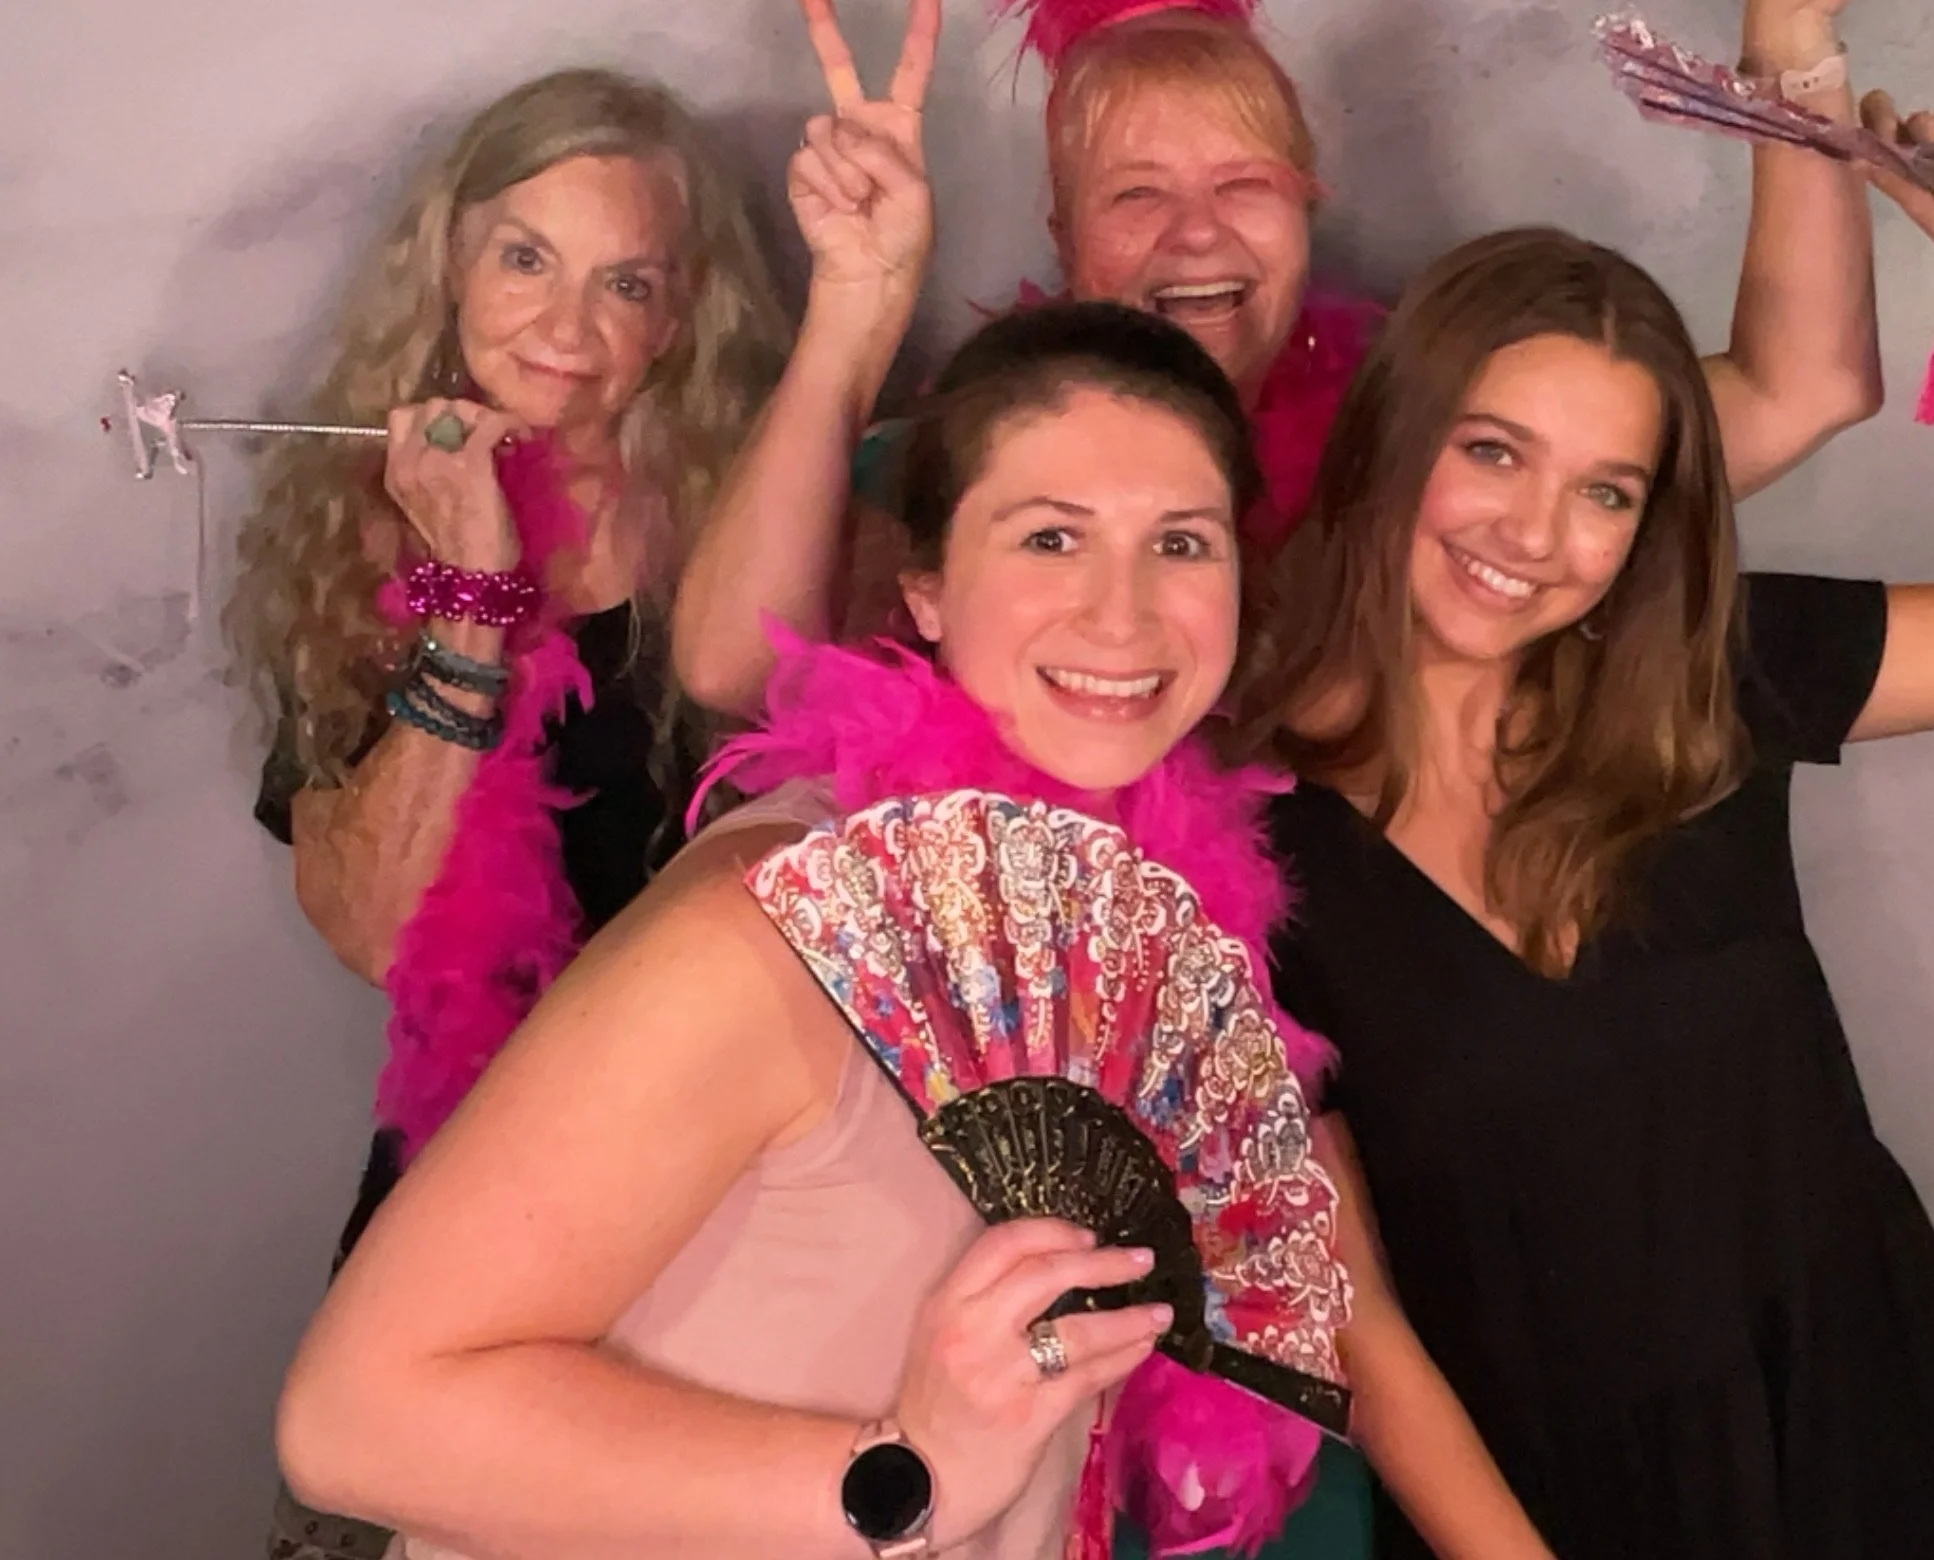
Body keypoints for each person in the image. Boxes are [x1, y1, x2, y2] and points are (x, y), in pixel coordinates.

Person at [271, 302, 1429, 1560]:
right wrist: (905, 1472)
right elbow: (355, 1417)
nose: (1122, 612)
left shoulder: (1117, 928)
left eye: (1180, 543)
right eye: (1050, 535)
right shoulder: (773, 925)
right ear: (925, 587)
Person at [672, 0, 1924, 750]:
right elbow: (736, 662)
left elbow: (1801, 382)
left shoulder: (1433, 442)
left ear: (1307, 202)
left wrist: (1789, 48)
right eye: (1135, 192)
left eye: (1244, 182)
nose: (1197, 235)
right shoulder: (987, 456)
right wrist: (856, 299)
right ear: (1061, 231)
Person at [1240, 103, 1934, 1557]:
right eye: (1493, 452)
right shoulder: (1244, 841)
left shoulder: (1711, 682)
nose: (1536, 535)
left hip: (1864, 1436)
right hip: (1542, 1505)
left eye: (1604, 492)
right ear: (1394, 435)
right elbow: (1355, 1317)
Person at [226, 67, 788, 1559]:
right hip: (474, 1200)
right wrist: (470, 605)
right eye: (525, 257)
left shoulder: (758, 524)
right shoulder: (349, 536)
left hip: (738, 1209)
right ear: (450, 259)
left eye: (626, 283)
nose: (563, 325)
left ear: (677, 322)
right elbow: (378, 932)